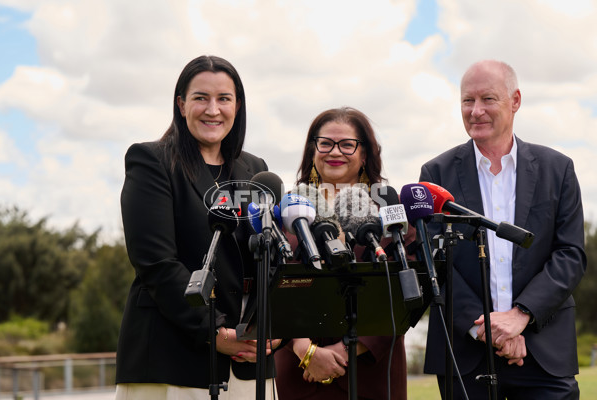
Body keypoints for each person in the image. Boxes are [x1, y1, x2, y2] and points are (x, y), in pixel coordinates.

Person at [420, 60, 586, 399]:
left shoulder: (558, 169)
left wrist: (521, 316)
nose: (476, 110)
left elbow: (570, 255)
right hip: (464, 354)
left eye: (488, 99)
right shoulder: (435, 173)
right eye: (468, 100)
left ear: (516, 100)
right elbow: (432, 261)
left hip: (544, 350)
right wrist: (487, 330)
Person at [115, 55, 279, 400]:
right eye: (201, 97)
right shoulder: (151, 161)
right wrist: (216, 332)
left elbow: (271, 257)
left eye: (224, 99)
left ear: (238, 106)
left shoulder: (256, 169)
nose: (213, 110)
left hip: (249, 366)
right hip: (173, 361)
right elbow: (156, 264)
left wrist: (276, 329)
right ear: (181, 104)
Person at [274, 107, 408, 400]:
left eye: (347, 144)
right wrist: (304, 348)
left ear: (365, 154)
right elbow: (271, 287)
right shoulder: (285, 211)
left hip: (370, 374)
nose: (335, 151)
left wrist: (344, 349)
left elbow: (404, 292)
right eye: (325, 143)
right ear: (313, 150)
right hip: (298, 373)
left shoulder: (389, 209)